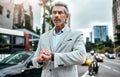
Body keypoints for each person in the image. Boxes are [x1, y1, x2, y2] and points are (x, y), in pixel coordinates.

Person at [32, 1, 86, 77]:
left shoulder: (76, 35)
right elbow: (34, 61)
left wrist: (53, 56)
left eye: (60, 13)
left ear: (67, 16)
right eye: (54, 13)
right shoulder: (43, 37)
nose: (56, 15)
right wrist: (39, 60)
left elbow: (81, 57)